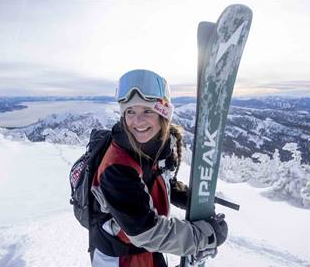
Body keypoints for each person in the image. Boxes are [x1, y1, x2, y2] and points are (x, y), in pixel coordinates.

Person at [89, 69, 228, 267]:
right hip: (120, 257)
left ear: (163, 115)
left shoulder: (152, 147)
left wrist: (187, 198)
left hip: (143, 249)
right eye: (130, 111)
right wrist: (205, 237)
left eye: (147, 111)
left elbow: (155, 179)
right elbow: (147, 232)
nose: (137, 121)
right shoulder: (116, 168)